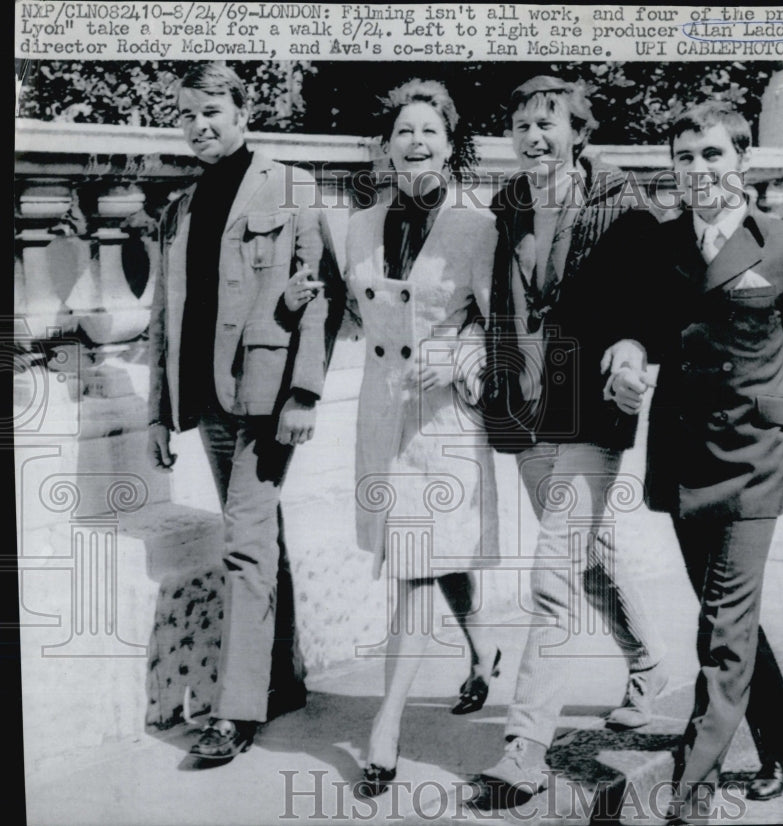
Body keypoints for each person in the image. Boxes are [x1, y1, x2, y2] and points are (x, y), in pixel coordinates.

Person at [603, 101, 783, 820]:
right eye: (684, 158)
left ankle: (690, 790)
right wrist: (625, 352)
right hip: (683, 461)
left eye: (712, 155)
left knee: (721, 629)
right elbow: (637, 328)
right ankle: (779, 737)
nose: (698, 170)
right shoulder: (658, 246)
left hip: (755, 461)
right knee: (730, 619)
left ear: (741, 163)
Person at [284, 78, 501, 797]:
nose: (416, 144)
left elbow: (499, 325)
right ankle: (481, 648)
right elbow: (339, 311)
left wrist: (464, 351)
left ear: (451, 144)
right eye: (403, 132)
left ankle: (385, 728)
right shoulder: (359, 225)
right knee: (434, 552)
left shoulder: (479, 225)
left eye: (430, 132)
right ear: (385, 149)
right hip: (382, 414)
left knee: (414, 563)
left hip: (444, 418)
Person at [476, 75, 671, 799]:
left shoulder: (623, 202)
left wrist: (635, 345)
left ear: (579, 133)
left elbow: (656, 296)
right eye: (522, 124)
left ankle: (526, 745)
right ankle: (649, 664)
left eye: (547, 123)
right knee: (588, 555)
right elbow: (497, 295)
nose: (532, 137)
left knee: (552, 574)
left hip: (591, 402)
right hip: (527, 403)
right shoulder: (508, 205)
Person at [147, 62, 344, 762]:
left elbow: (319, 294)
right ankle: (281, 679)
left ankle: (235, 713)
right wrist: (155, 416)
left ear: (242, 114)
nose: (200, 126)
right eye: (188, 115)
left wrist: (303, 393)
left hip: (266, 400)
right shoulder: (180, 210)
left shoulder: (288, 184)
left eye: (213, 112)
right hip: (205, 402)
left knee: (245, 542)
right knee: (261, 539)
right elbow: (165, 321)